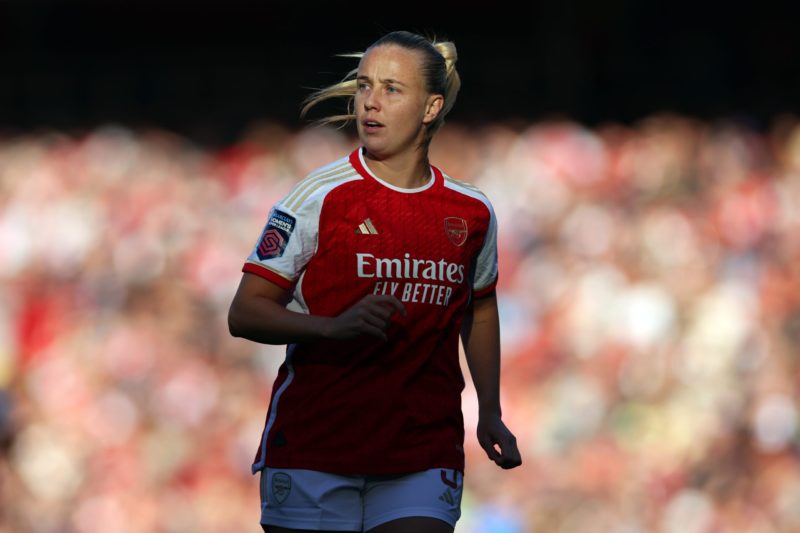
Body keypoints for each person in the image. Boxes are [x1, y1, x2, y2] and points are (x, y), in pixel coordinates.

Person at [228, 30, 522, 533]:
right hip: (317, 443)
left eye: (391, 89)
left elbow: (480, 307)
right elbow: (244, 312)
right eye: (364, 86)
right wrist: (331, 327)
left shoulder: (471, 211)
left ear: (430, 108)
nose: (370, 102)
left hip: (422, 445)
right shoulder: (320, 196)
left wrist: (490, 409)